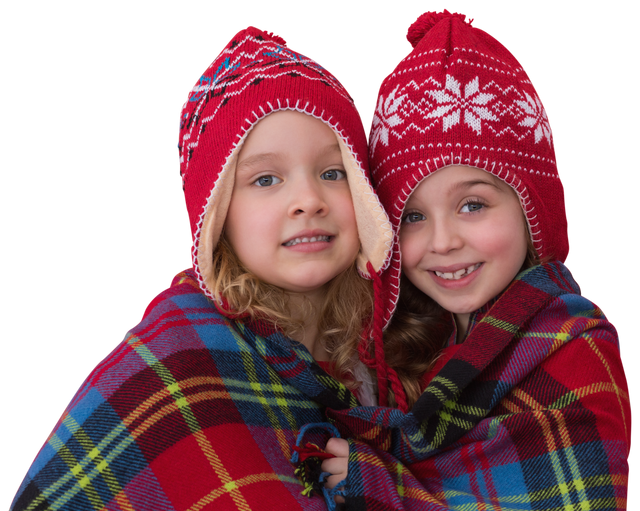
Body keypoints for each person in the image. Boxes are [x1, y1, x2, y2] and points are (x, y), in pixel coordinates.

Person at [8, 23, 397, 510]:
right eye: (266, 179)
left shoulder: (388, 355)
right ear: (218, 215)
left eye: (332, 172)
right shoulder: (177, 358)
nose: (308, 200)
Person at [320, 7, 633, 510]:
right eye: (412, 218)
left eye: (473, 205)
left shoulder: (572, 348)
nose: (442, 242)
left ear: (532, 210)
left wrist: (379, 487)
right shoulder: (394, 349)